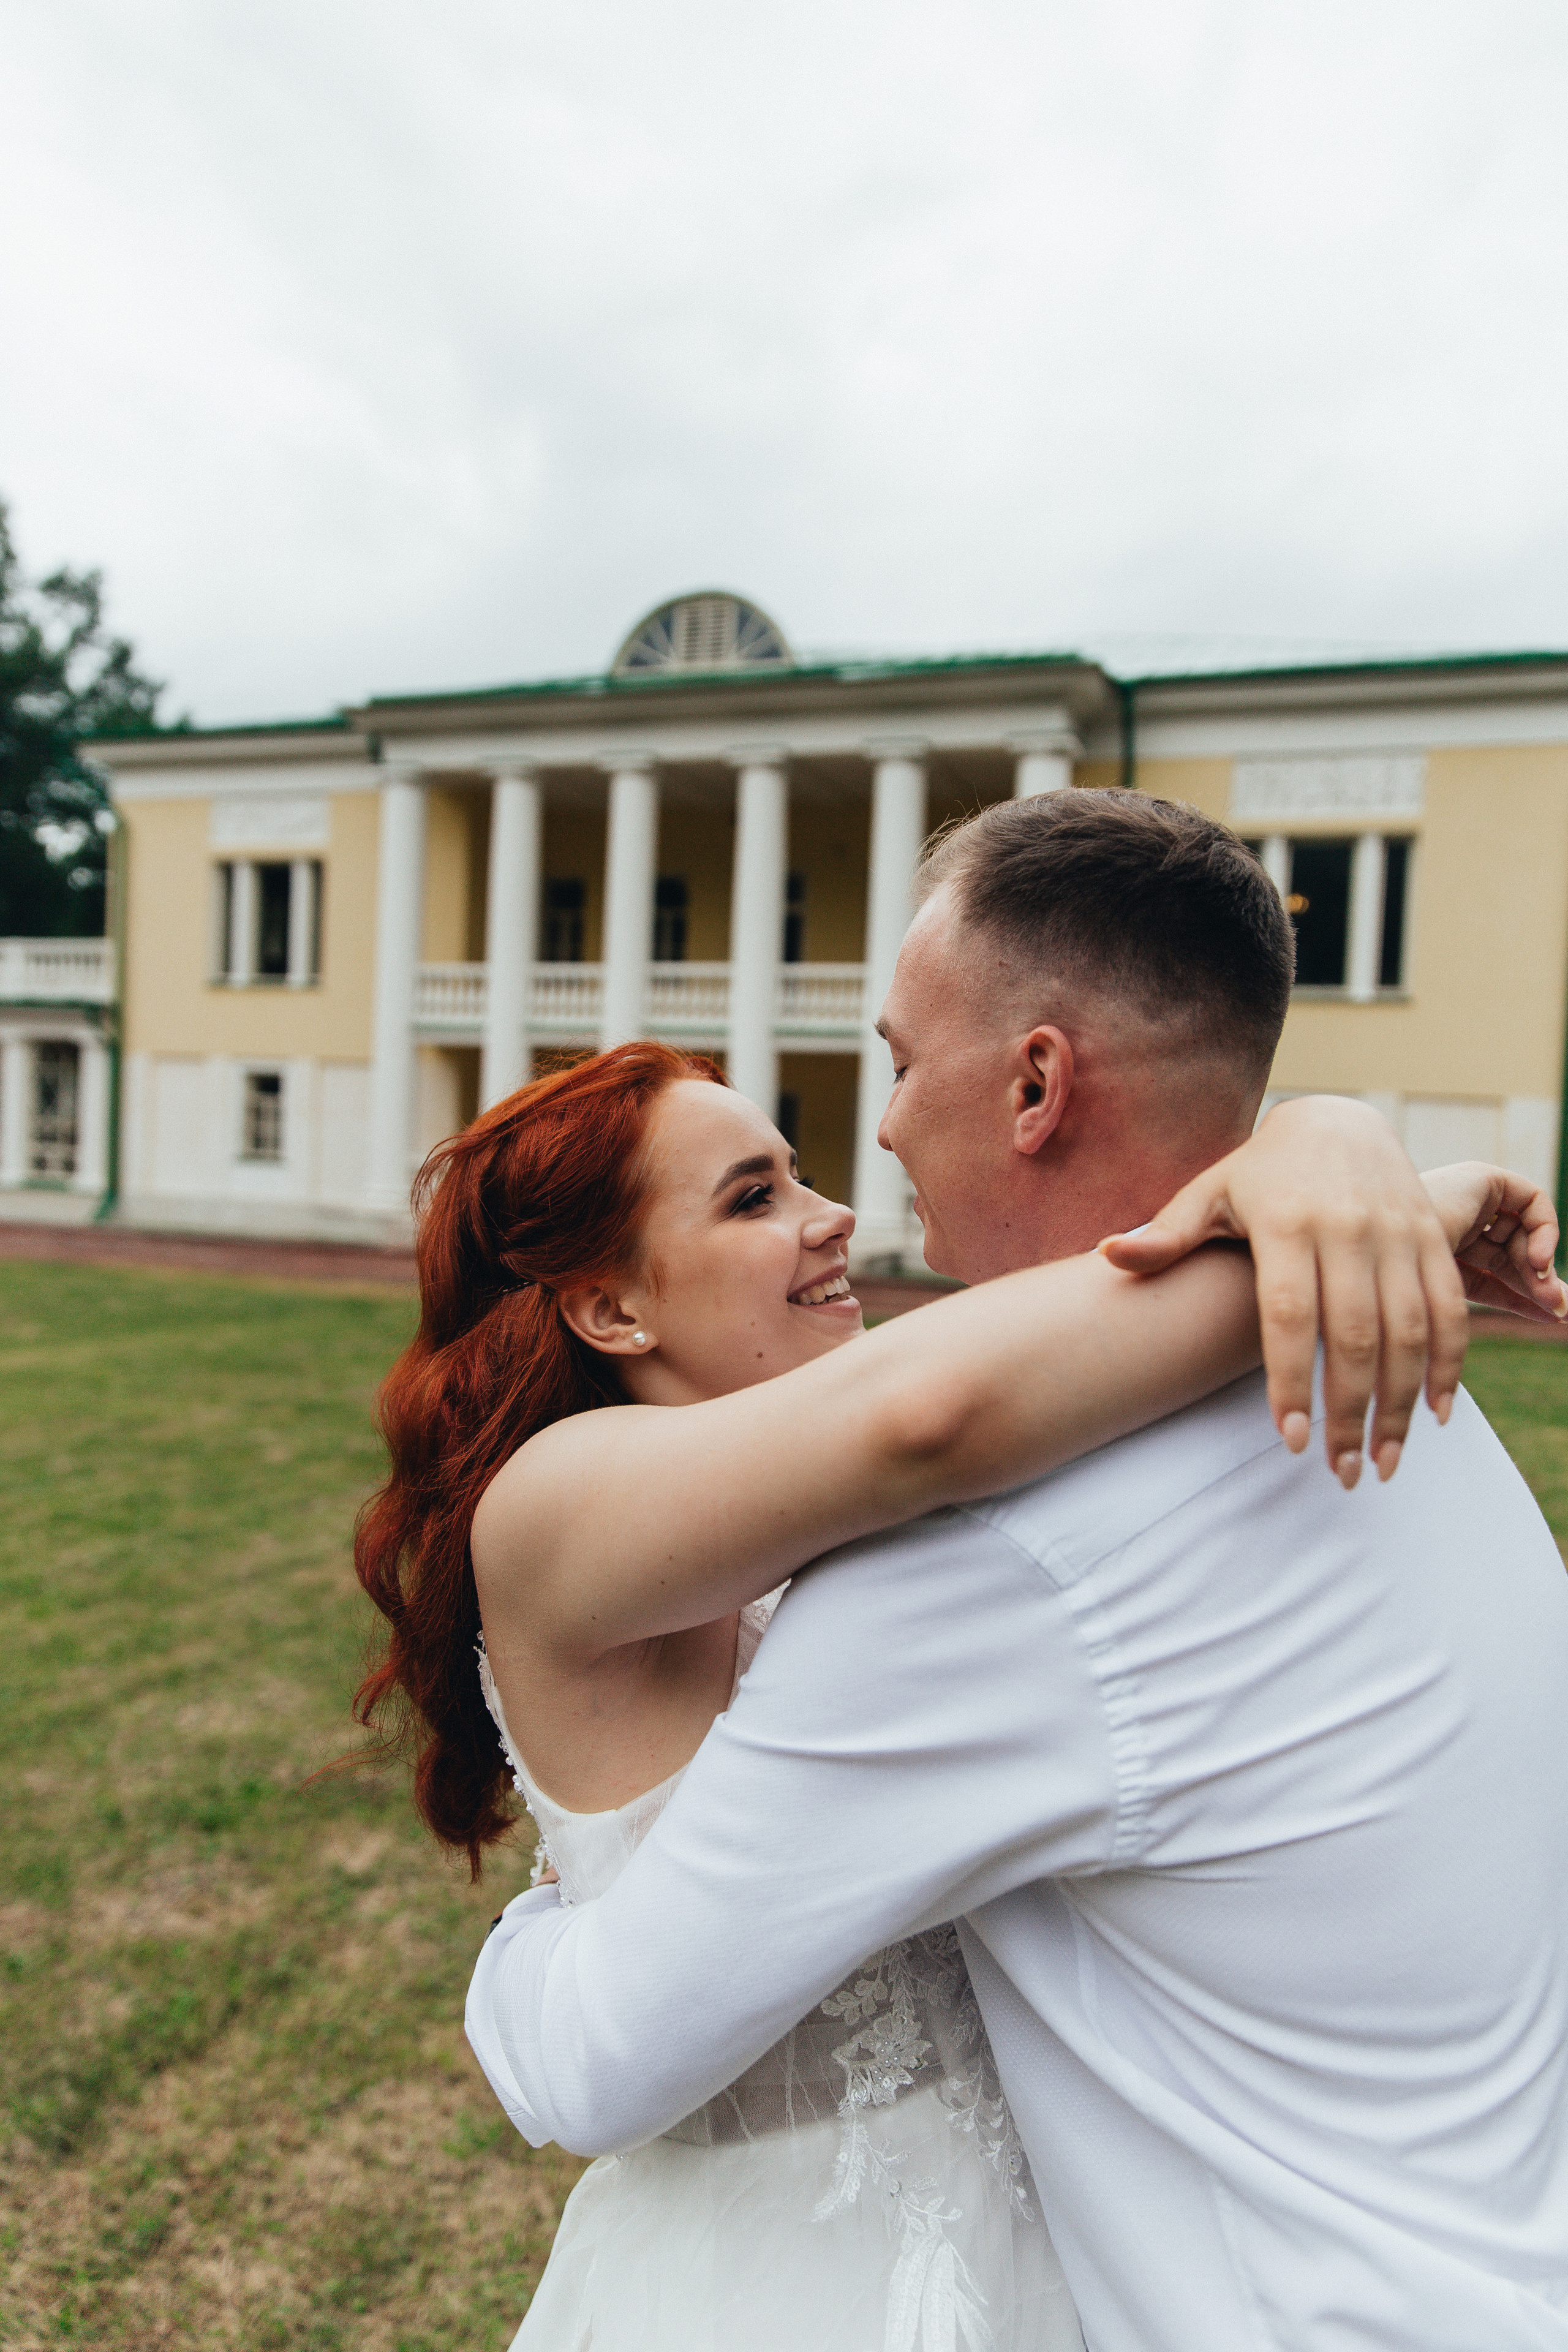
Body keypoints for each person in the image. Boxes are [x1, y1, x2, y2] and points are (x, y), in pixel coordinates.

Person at [463, 791, 1568, 2352]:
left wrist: (518, 1948)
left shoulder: (992, 1561)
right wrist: (1337, 1145)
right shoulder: (1413, 1402)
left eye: (902, 1063)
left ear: (1036, 1080)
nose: (882, 1140)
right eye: (757, 1189)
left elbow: (594, 2062)